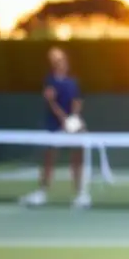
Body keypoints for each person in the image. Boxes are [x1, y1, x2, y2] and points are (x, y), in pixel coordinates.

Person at [19, 47, 90, 208]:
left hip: (71, 123)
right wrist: (63, 119)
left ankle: (80, 194)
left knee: (77, 157)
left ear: (66, 62)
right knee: (49, 159)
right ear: (53, 64)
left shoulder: (73, 82)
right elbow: (51, 102)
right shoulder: (49, 81)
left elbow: (77, 101)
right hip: (53, 125)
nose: (60, 63)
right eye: (56, 61)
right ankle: (42, 193)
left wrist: (73, 119)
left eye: (62, 60)